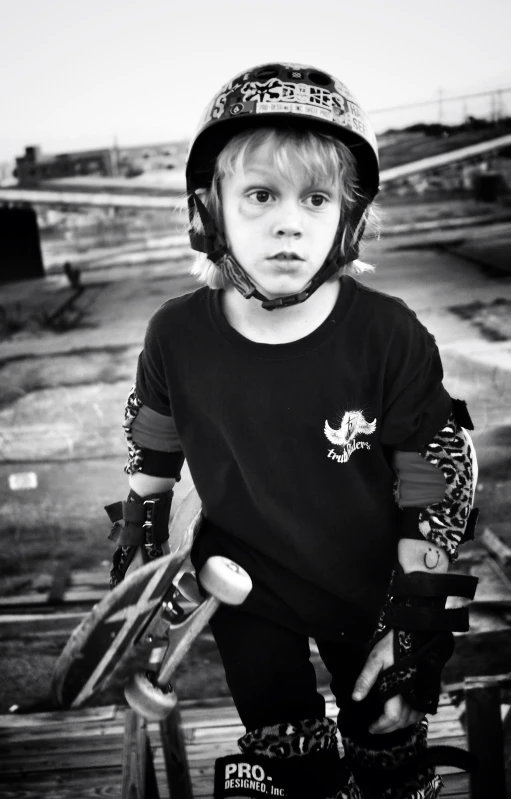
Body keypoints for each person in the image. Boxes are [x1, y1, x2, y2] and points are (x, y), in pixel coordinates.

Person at [107, 63, 479, 799]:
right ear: (208, 212)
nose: (288, 221)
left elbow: (431, 477)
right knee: (286, 757)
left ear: (351, 218)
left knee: (387, 741)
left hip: (372, 583)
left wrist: (413, 628)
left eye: (315, 198)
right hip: (248, 586)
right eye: (259, 195)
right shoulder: (174, 336)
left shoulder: (387, 334)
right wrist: (138, 569)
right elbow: (151, 454)